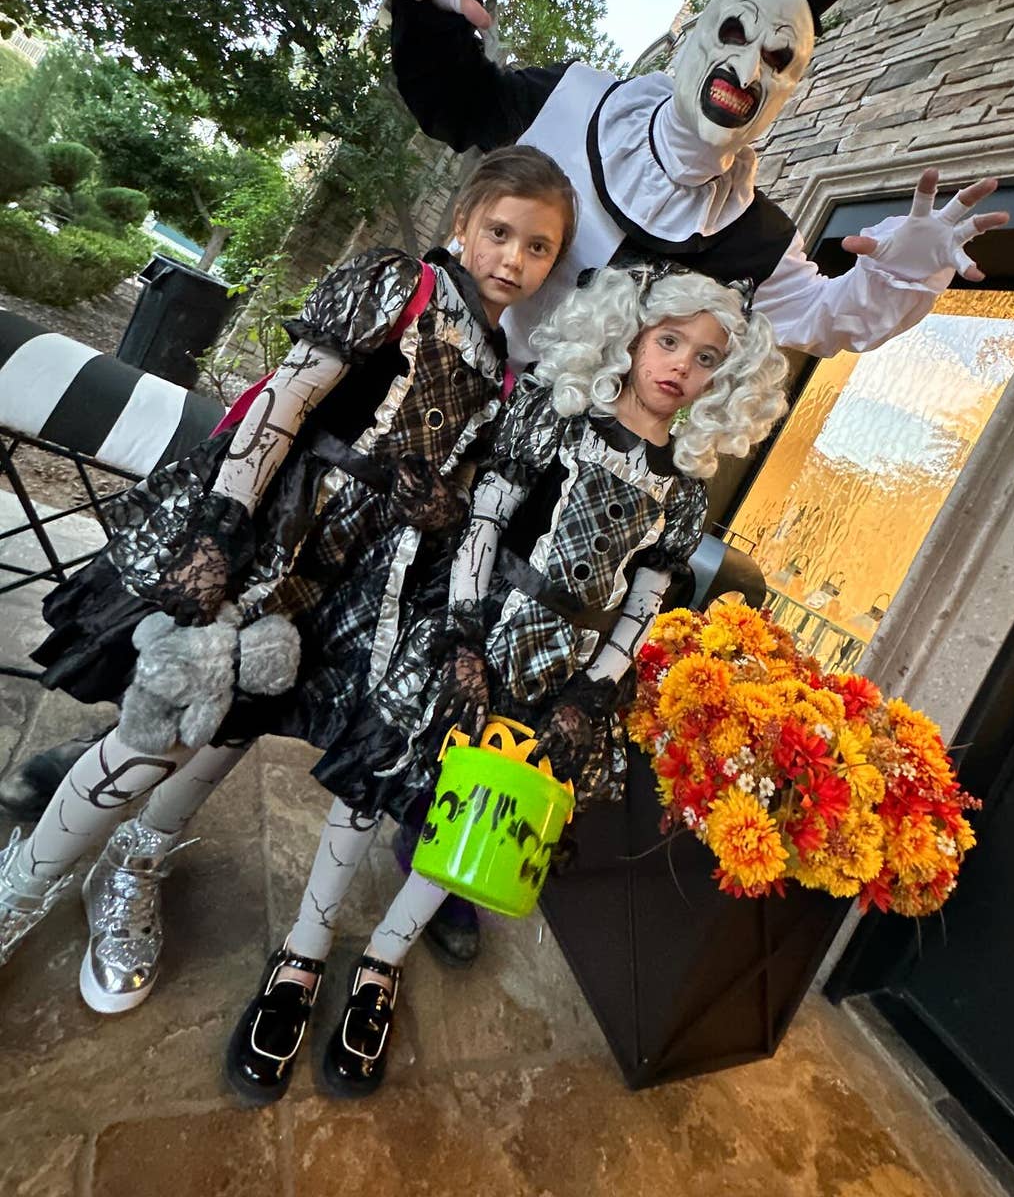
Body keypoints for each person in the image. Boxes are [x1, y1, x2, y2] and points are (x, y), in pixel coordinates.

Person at [0, 145, 577, 1013]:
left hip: (349, 577)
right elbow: (289, 397)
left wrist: (440, 508)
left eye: (538, 248)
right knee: (162, 718)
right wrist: (221, 528)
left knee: (234, 729)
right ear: (464, 222)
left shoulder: (497, 368)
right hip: (276, 528)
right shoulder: (400, 286)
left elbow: (449, 486)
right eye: (500, 232)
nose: (513, 259)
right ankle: (17, 892)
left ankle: (134, 861)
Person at [224, 260, 789, 1102]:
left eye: (706, 358)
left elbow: (645, 601)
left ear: (725, 380)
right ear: (632, 334)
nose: (680, 365)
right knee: (378, 785)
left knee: (477, 814)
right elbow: (484, 521)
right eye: (670, 340)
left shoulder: (683, 491)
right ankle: (302, 952)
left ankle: (383, 962)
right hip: (479, 627)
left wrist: (592, 690)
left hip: (559, 669)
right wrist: (460, 633)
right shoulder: (557, 414)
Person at [377, 0, 1010, 366]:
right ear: (698, 37)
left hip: (513, 454)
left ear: (784, 95)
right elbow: (453, 100)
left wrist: (906, 270)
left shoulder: (750, 238)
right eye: (736, 34)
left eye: (776, 59)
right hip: (415, 355)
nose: (746, 70)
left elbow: (826, 315)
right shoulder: (571, 100)